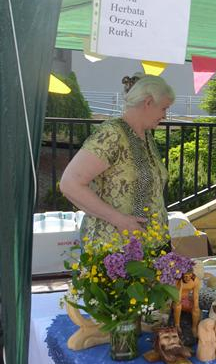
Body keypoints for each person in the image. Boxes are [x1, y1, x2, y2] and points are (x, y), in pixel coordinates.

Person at [61, 74, 174, 244]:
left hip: (149, 247)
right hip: (114, 249)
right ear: (148, 102)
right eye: (164, 108)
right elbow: (70, 184)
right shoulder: (111, 135)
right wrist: (119, 220)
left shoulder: (145, 136)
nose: (164, 115)